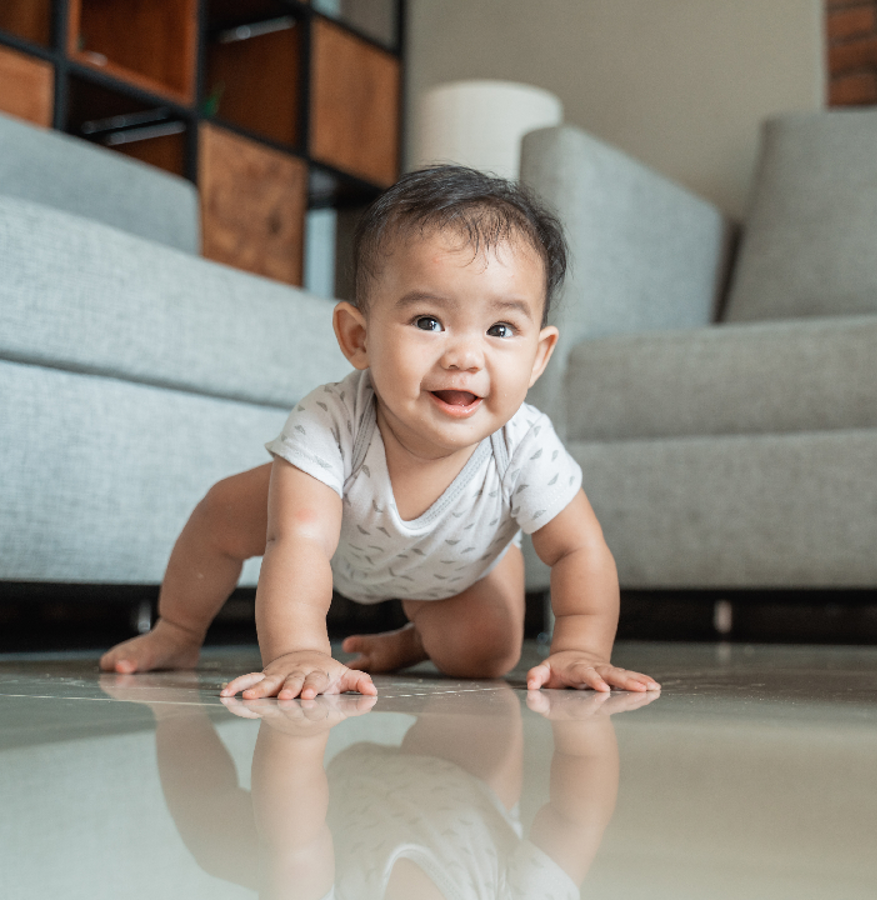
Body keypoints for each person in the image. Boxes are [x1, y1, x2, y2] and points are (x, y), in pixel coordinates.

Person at [100, 164, 660, 699]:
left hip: (459, 566)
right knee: (224, 513)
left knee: (486, 656)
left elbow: (579, 550)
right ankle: (177, 631)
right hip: (336, 538)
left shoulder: (526, 445)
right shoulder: (331, 420)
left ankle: (414, 640)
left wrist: (580, 648)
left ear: (538, 357)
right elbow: (299, 542)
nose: (466, 355)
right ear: (358, 337)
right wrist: (298, 651)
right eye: (428, 322)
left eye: (500, 328)